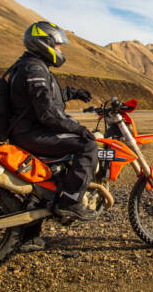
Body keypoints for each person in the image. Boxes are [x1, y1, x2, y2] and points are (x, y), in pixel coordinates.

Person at [8, 21, 99, 249]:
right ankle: (70, 200)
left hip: (26, 130)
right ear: (44, 43)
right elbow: (47, 112)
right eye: (58, 45)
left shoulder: (31, 65)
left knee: (49, 173)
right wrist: (79, 129)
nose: (60, 50)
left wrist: (71, 93)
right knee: (87, 146)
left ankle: (30, 237)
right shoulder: (35, 69)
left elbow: (41, 98)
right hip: (31, 133)